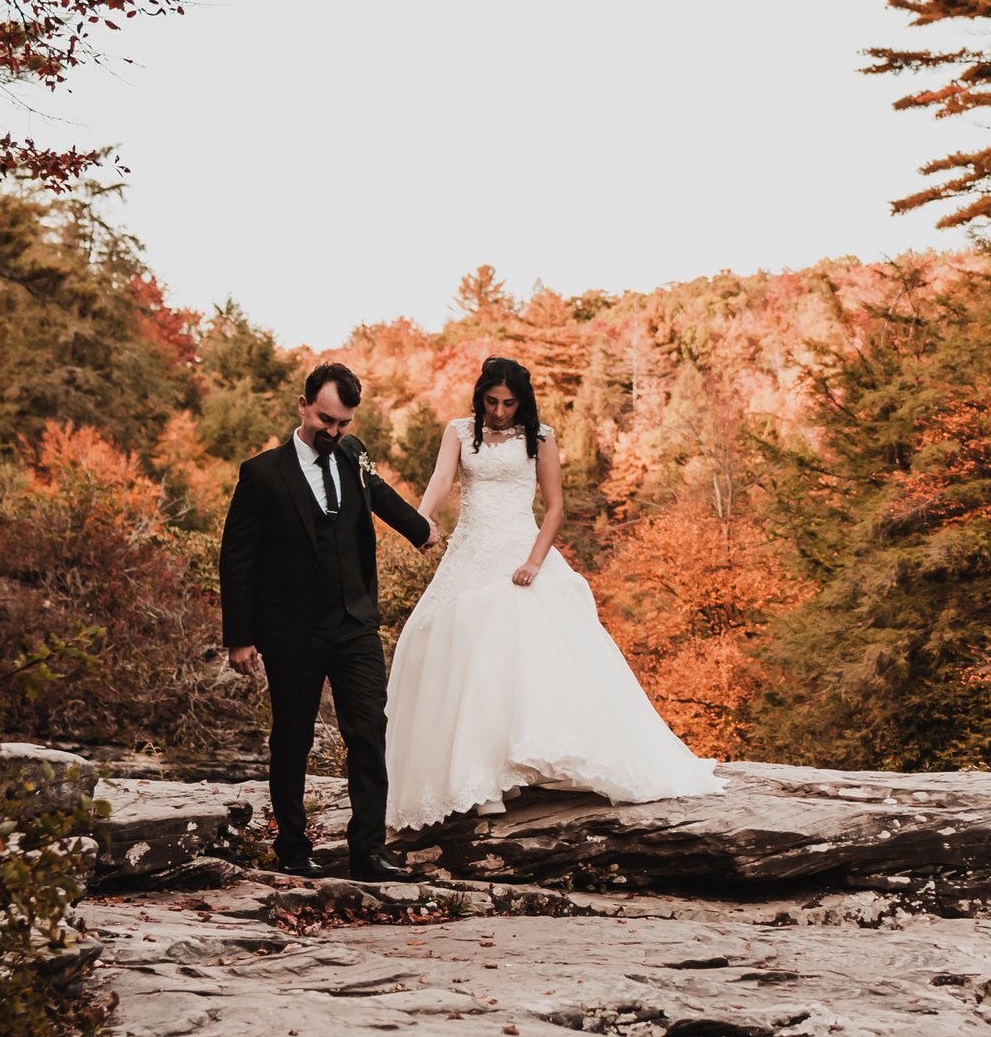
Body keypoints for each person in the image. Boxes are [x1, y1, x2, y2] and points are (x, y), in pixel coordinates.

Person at [385, 353, 717, 832]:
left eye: (508, 403)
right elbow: (441, 480)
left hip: (522, 550)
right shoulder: (458, 431)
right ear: (480, 396)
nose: (499, 411)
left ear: (523, 402)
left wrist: (535, 563)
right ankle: (483, 776)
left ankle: (511, 768)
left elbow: (557, 507)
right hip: (470, 552)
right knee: (458, 651)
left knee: (522, 656)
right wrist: (420, 517)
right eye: (492, 401)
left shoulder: (540, 438)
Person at [218, 361, 433, 880]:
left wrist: (421, 530)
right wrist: (240, 637)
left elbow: (378, 496)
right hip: (291, 629)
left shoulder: (353, 455)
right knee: (292, 738)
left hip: (354, 620)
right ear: (302, 405)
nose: (333, 432)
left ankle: (368, 852)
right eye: (325, 420)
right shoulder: (262, 473)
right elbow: (237, 557)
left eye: (343, 424)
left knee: (369, 730)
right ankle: (293, 849)